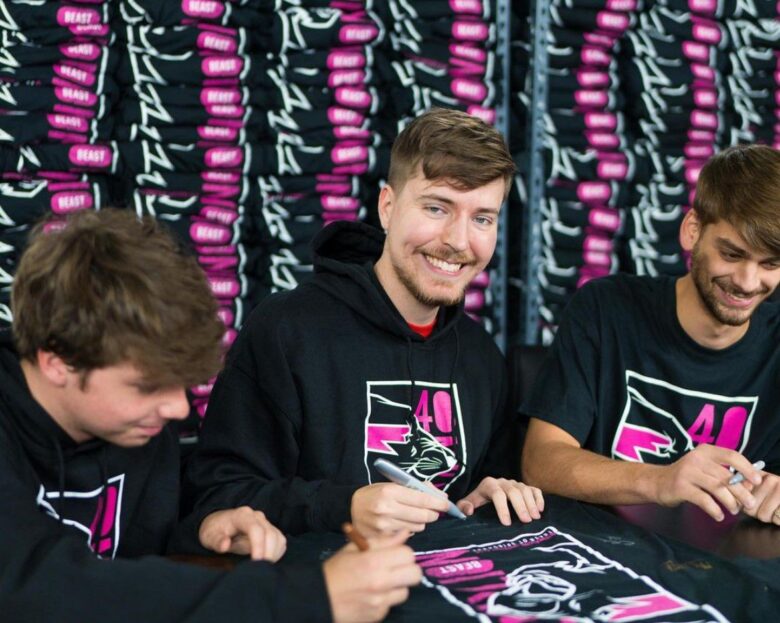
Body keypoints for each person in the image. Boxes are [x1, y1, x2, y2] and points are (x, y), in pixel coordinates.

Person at [0, 208, 421, 623]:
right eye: (148, 386)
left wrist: (202, 532)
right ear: (58, 362)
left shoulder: (139, 425)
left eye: (180, 384)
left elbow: (141, 563)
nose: (178, 409)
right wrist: (308, 596)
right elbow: (36, 588)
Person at [181, 108, 544, 540]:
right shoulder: (286, 331)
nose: (458, 241)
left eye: (482, 218)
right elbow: (218, 501)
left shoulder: (481, 357)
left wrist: (484, 498)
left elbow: (470, 501)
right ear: (387, 207)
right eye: (436, 208)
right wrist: (344, 507)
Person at [521, 144, 780, 525]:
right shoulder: (606, 310)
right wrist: (661, 481)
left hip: (725, 561)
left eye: (770, 264)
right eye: (731, 254)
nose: (747, 282)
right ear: (692, 231)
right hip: (605, 553)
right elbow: (541, 462)